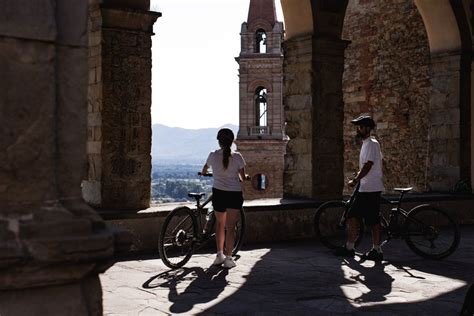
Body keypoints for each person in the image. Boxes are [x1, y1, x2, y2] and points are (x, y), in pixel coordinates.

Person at [335, 115, 385, 261]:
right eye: (358, 126)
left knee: (366, 219)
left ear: (367, 128)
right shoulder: (368, 143)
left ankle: (374, 250)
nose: (358, 129)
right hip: (366, 188)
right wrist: (358, 178)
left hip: (370, 189)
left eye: (361, 126)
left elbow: (368, 165)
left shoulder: (371, 144)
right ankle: (355, 248)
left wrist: (357, 179)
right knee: (357, 217)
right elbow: (369, 165)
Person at [201, 128, 248, 268]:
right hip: (234, 194)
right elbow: (242, 177)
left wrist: (207, 173)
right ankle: (229, 258)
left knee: (220, 225)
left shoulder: (213, 155)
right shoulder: (238, 157)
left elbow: (204, 170)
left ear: (219, 141)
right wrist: (243, 178)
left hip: (219, 193)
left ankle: (219, 255)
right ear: (232, 142)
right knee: (231, 227)